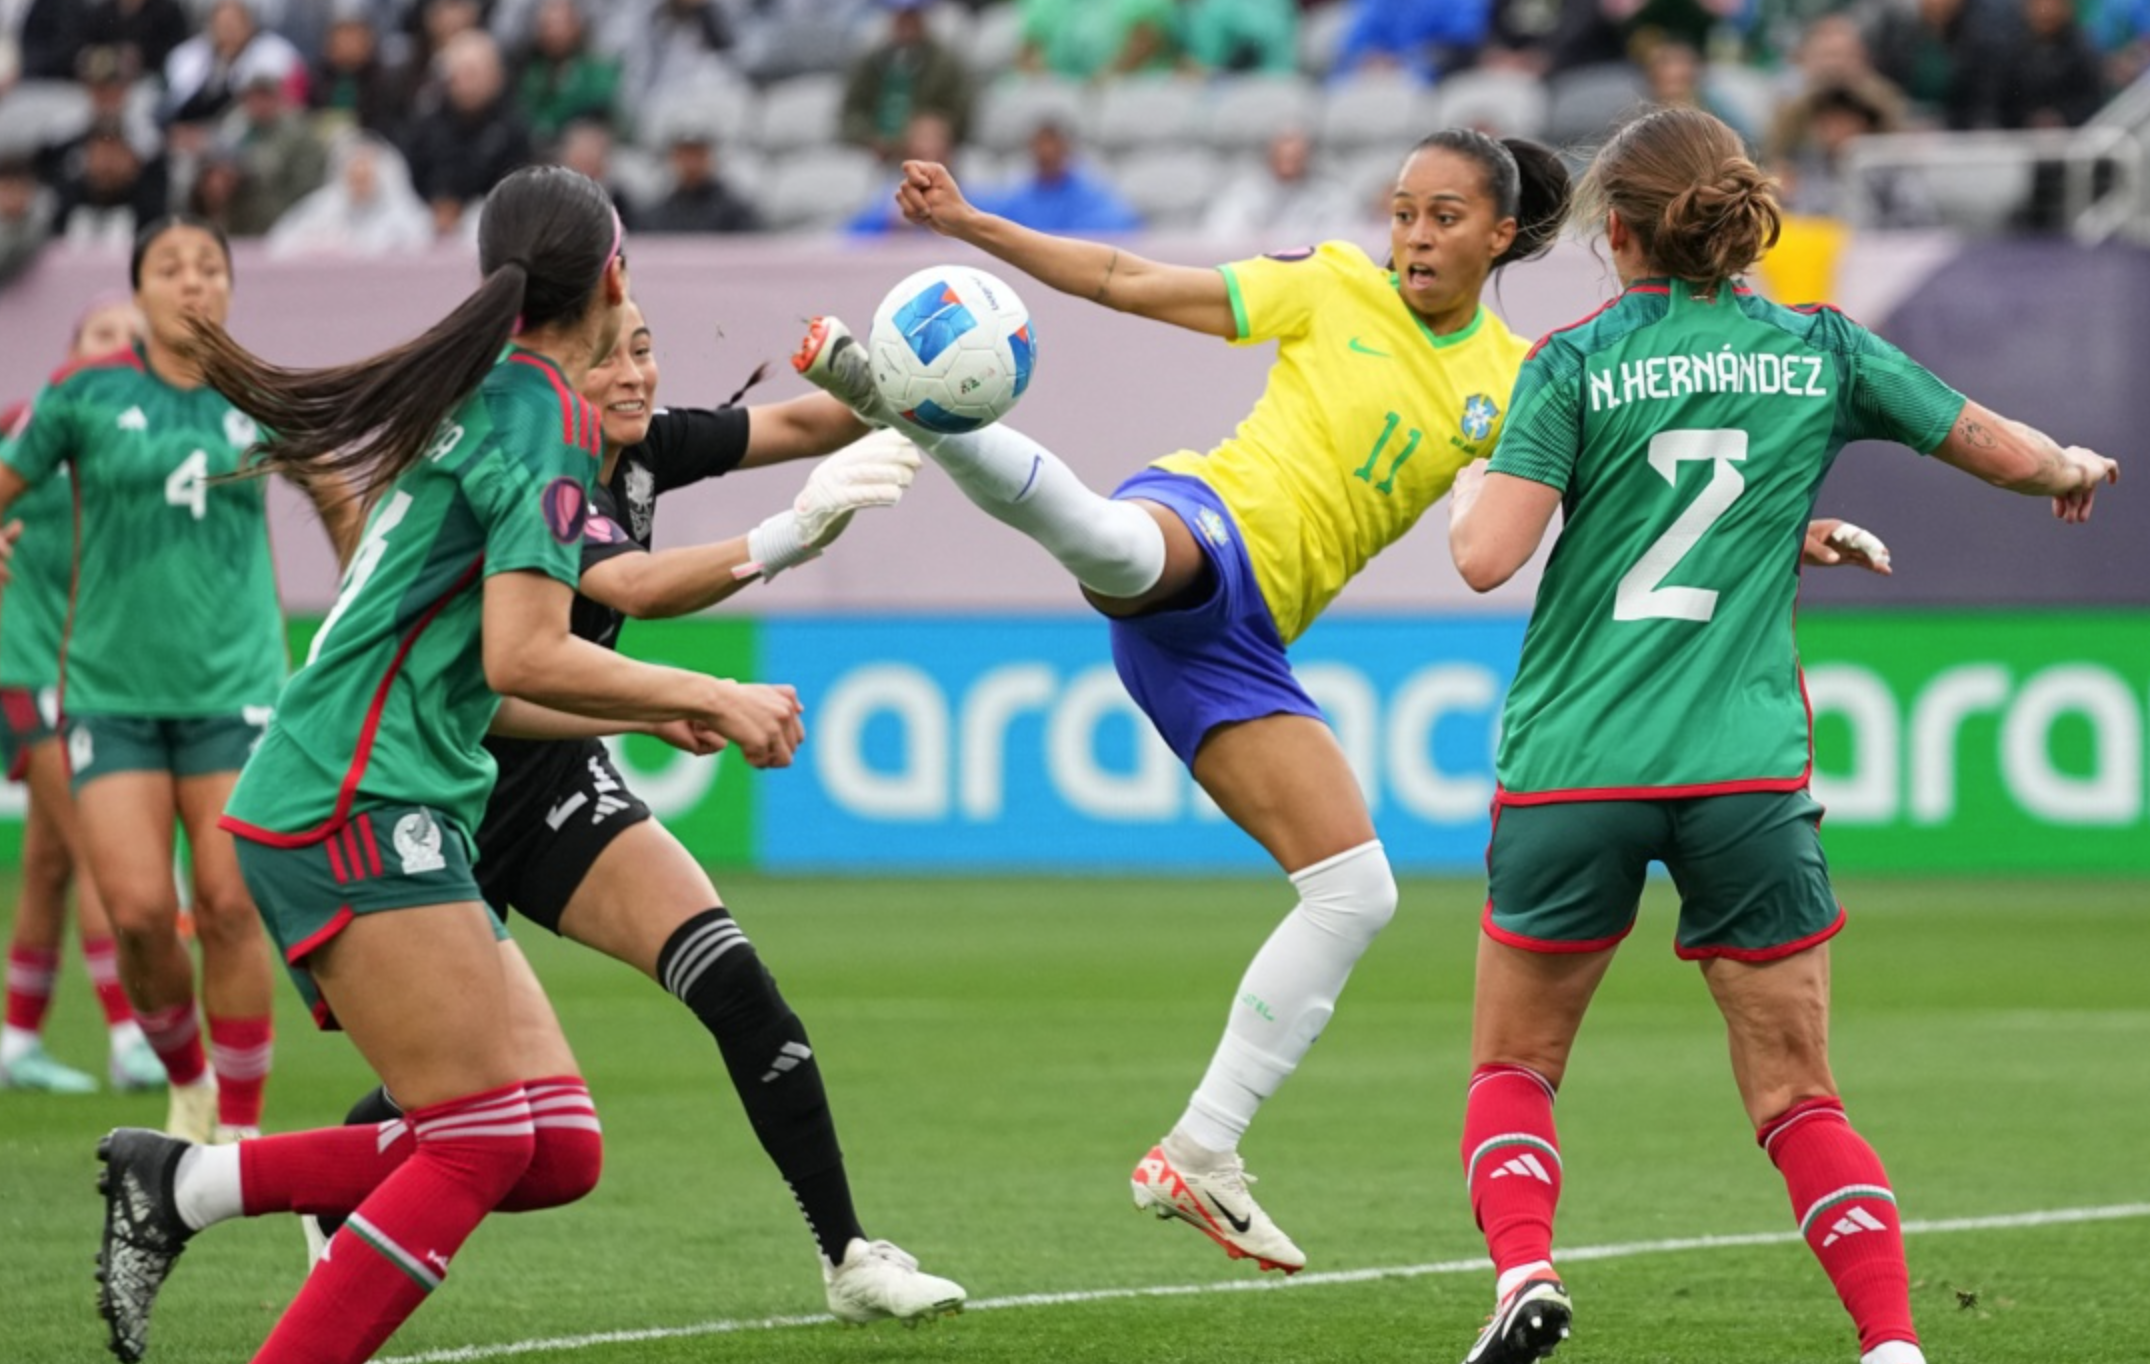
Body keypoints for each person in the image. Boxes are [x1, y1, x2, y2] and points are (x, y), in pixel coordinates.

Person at [790, 129, 1575, 1274]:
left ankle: (1200, 1149)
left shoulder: (1509, 382)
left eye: (1442, 216)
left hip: (1236, 644)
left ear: (1499, 235)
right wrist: (970, 223)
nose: (1412, 234)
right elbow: (1124, 280)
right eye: (1402, 209)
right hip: (1203, 522)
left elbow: (1581, 497)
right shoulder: (1329, 284)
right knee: (1117, 542)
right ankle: (913, 406)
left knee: (1354, 890)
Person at [90, 165, 807, 1364]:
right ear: (612, 275)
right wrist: (712, 690)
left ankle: (187, 1184)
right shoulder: (540, 419)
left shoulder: (504, 393)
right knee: (478, 1139)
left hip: (377, 790)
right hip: (352, 796)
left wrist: (652, 709)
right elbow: (525, 645)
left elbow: (500, 680)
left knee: (554, 1144)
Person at [1441, 106, 2116, 1364]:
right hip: (1743, 772)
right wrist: (2065, 461)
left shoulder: (1572, 362)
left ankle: (1524, 1271)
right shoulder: (1818, 350)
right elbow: (1999, 451)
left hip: (1573, 769)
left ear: (1619, 233)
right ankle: (1891, 1343)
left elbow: (1487, 559)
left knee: (1515, 1068)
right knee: (1798, 1094)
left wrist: (1472, 479)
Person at [315, 298, 966, 1323]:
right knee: (454, 1088)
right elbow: (609, 604)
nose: (635, 375)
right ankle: (309, 1187)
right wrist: (783, 545)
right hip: (440, 784)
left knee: (735, 982)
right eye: (608, 357)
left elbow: (805, 425)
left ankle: (848, 1254)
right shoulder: (532, 463)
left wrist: (904, 379)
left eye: (647, 350)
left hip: (554, 777)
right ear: (553, 371)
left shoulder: (648, 445)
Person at [0, 216, 353, 1146]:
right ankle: (186, 1078)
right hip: (109, 699)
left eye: (210, 267)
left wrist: (364, 603)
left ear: (230, 288)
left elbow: (334, 492)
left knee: (231, 907)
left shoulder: (260, 392)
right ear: (138, 290)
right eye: (170, 267)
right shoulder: (81, 393)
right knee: (143, 916)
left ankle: (234, 1134)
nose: (193, 282)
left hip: (234, 692)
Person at [0, 296, 163, 1096]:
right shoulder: (29, 425)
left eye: (133, 343)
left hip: (84, 670)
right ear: (70, 350)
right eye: (103, 336)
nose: (117, 352)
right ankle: (131, 1034)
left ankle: (16, 1039)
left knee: (51, 862)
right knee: (106, 845)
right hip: (24, 663)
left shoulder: (131, 446)